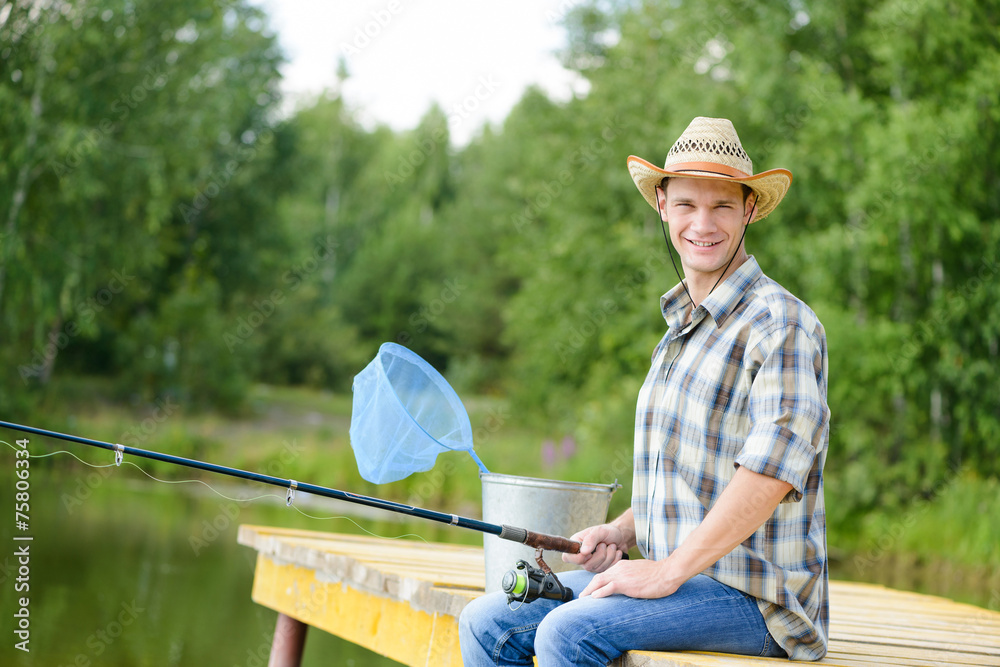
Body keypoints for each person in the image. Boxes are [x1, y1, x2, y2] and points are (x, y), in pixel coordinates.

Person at [459, 116, 830, 665]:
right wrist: (620, 530)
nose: (703, 223)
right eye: (686, 204)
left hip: (757, 600)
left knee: (568, 632)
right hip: (682, 583)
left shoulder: (783, 325)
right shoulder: (681, 329)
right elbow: (686, 476)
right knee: (486, 621)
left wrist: (665, 570)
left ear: (749, 210)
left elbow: (770, 475)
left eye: (723, 206)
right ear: (661, 204)